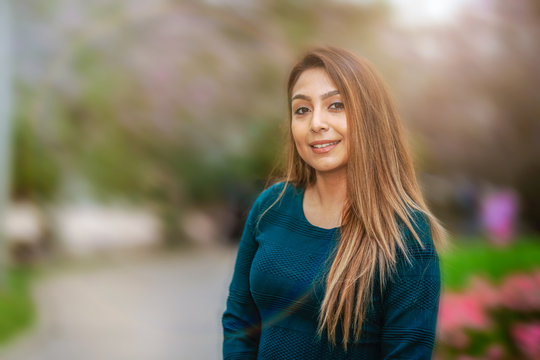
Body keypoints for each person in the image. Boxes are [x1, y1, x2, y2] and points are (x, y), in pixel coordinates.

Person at [222, 46, 447, 359]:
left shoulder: (405, 234)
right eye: (302, 110)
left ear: (369, 118)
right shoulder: (270, 207)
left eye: (336, 105)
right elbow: (239, 320)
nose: (316, 123)